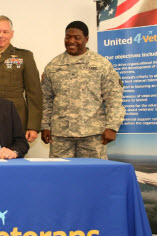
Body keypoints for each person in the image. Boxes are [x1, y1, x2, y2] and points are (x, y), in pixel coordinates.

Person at [41, 21, 125, 159]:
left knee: (95, 175)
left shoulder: (101, 65)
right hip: (61, 136)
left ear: (86, 39)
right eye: (68, 37)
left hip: (92, 135)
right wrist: (44, 126)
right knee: (60, 176)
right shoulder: (53, 66)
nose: (71, 41)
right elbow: (46, 99)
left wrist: (112, 127)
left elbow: (114, 98)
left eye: (77, 37)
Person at [0, 15, 42, 143]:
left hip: (16, 118)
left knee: (14, 157)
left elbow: (34, 93)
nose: (0, 35)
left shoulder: (25, 56)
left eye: (5, 32)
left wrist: (33, 126)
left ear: (12, 34)